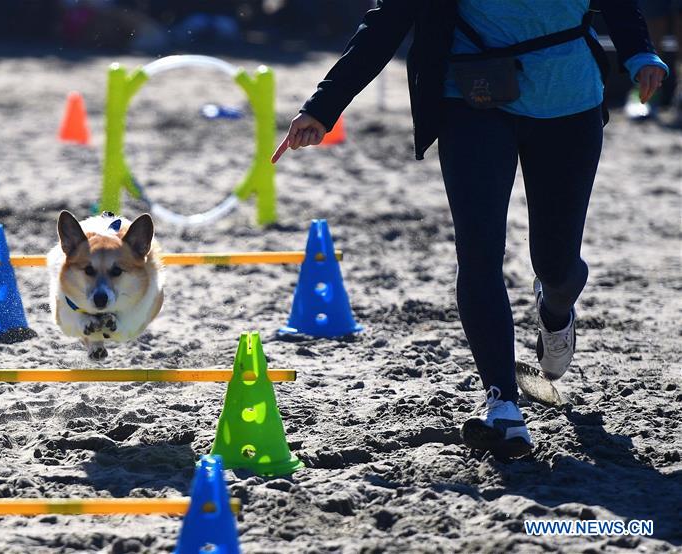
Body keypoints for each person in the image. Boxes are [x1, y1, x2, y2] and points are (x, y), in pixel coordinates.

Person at [272, 1, 669, 458]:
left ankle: (556, 311)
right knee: (478, 253)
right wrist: (324, 106)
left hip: (569, 101)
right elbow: (388, 19)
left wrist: (640, 53)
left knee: (557, 264)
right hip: (473, 99)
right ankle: (502, 404)